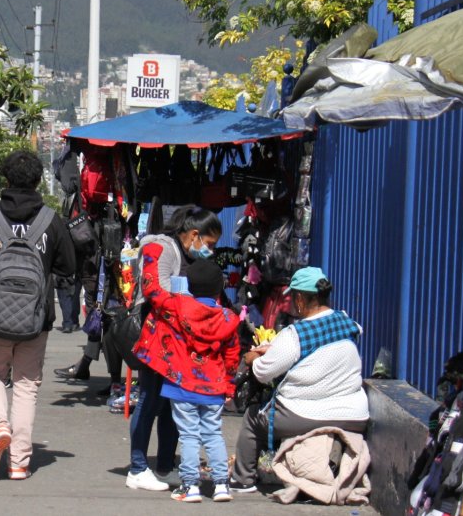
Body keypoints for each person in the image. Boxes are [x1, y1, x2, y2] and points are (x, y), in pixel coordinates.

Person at [0, 150, 76, 480]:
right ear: (39, 180)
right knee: (26, 386)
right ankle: (19, 462)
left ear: (6, 179)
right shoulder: (50, 220)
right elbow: (68, 267)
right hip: (36, 320)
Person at [228, 267, 369, 493]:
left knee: (254, 417)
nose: (292, 304)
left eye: (293, 298)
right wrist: (275, 350)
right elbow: (324, 347)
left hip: (307, 415)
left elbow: (263, 372)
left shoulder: (295, 334)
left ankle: (242, 479)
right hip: (354, 414)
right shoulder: (346, 321)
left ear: (301, 298)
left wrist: (254, 357)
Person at [124, 205, 223, 491]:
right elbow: (156, 291)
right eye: (210, 243)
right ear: (194, 234)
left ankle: (165, 466)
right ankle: (137, 468)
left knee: (170, 404)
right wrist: (192, 309)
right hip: (156, 339)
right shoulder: (160, 248)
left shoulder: (186, 254)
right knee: (150, 400)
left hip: (177, 341)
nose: (211, 250)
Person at [139, 258, 240, 502]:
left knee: (189, 435)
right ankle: (221, 485)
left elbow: (152, 291)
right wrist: (229, 384)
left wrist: (152, 254)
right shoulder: (226, 318)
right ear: (220, 288)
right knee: (213, 433)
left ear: (189, 285)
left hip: (182, 385)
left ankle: (190, 485)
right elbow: (232, 355)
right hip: (214, 387)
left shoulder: (178, 306)